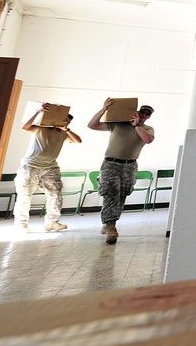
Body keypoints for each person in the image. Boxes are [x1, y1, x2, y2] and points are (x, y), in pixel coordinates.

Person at [87, 99, 155, 244]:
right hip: (111, 163)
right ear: (136, 111)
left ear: (149, 117)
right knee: (110, 190)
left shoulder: (147, 129)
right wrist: (103, 109)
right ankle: (110, 226)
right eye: (142, 112)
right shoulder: (118, 123)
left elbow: (148, 140)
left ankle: (108, 222)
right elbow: (92, 125)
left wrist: (136, 125)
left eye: (146, 114)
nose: (143, 115)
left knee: (122, 193)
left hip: (129, 165)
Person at [13, 103, 82, 233]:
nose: (66, 122)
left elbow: (78, 141)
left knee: (55, 194)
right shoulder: (40, 128)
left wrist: (66, 129)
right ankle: (21, 224)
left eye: (68, 121)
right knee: (25, 195)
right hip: (31, 165)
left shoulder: (64, 133)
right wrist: (38, 111)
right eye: (65, 119)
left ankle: (52, 222)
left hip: (51, 167)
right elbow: (24, 127)